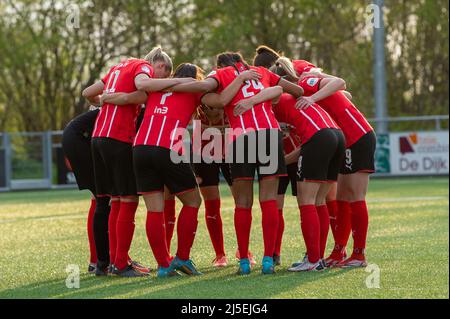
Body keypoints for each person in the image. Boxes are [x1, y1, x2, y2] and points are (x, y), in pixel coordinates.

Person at [170, 52, 304, 275]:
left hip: (242, 136)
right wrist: (268, 92)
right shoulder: (262, 72)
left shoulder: (222, 74)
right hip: (270, 134)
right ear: (243, 62)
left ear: (222, 65)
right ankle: (268, 259)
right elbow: (296, 91)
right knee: (269, 200)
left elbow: (207, 91)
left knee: (243, 202)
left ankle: (243, 260)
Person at [82, 47, 185, 277]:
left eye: (168, 71)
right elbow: (141, 86)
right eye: (163, 68)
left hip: (98, 139)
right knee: (128, 201)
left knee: (115, 201)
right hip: (118, 138)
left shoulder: (118, 67)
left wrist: (106, 100)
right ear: (153, 63)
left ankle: (110, 262)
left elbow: (88, 92)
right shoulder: (143, 68)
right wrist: (127, 98)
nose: (165, 75)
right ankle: (119, 264)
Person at [272, 57, 376, 268]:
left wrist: (313, 97)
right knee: (342, 197)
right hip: (344, 138)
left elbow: (340, 83)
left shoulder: (305, 81)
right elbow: (345, 95)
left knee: (354, 196)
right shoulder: (297, 94)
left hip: (357, 135)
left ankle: (359, 254)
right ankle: (339, 251)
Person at [233, 86, 345, 271]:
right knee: (318, 202)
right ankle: (315, 257)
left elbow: (310, 142)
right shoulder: (291, 97)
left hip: (317, 138)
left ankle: (313, 260)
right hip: (337, 135)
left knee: (307, 201)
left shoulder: (270, 104)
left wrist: (279, 161)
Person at [62, 108, 107, 273]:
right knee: (105, 199)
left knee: (99, 199)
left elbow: (90, 95)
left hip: (77, 137)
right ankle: (106, 260)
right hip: (80, 140)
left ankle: (97, 260)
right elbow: (88, 94)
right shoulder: (132, 93)